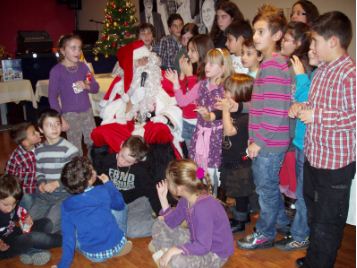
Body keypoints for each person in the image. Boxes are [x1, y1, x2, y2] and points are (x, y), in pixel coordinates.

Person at [290, 11, 355, 268]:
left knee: (328, 223)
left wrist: (316, 114)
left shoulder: (350, 74)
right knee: (316, 217)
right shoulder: (323, 70)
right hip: (314, 158)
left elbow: (354, 117)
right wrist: (301, 106)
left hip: (335, 166)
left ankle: (321, 262)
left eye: (315, 41)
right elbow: (317, 105)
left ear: (333, 42)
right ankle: (316, 258)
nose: (312, 47)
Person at [237, 4, 291, 250]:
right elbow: (265, 105)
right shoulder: (275, 63)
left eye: (261, 32)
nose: (255, 37)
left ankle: (266, 233)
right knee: (269, 186)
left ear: (277, 35)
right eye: (254, 32)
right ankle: (281, 222)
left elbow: (276, 110)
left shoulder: (272, 66)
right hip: (269, 141)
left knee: (265, 189)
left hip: (268, 144)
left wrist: (258, 141)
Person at [91, 40, 183, 158]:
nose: (144, 63)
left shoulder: (162, 77)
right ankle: (129, 158)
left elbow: (179, 103)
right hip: (130, 126)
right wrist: (132, 101)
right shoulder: (120, 84)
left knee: (160, 129)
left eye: (146, 58)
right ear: (131, 65)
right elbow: (110, 114)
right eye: (139, 60)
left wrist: (165, 117)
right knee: (100, 132)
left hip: (152, 124)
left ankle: (134, 156)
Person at [166, 48, 233, 196]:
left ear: (223, 67)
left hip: (215, 137)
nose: (207, 66)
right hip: (200, 134)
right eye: (207, 62)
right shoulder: (202, 84)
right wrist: (176, 83)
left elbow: (227, 112)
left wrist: (210, 115)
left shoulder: (226, 88)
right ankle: (203, 194)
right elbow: (183, 101)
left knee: (213, 171)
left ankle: (215, 199)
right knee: (199, 168)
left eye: (212, 64)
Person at [150, 159, 234, 268]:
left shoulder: (204, 208)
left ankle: (166, 254)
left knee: (177, 262)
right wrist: (163, 198)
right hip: (196, 239)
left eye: (169, 181)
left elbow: (203, 246)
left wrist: (175, 250)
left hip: (214, 252)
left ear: (179, 188)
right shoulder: (186, 199)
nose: (167, 183)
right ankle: (166, 254)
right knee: (159, 223)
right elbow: (171, 222)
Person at [276, 48, 319, 254]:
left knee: (303, 194)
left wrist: (301, 75)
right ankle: (300, 232)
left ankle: (301, 235)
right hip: (300, 143)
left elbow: (307, 97)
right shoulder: (309, 76)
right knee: (301, 193)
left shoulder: (313, 76)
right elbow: (299, 101)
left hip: (308, 145)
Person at [56, 157, 131, 267]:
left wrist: (62, 266)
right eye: (93, 170)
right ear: (90, 180)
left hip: (94, 255)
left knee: (71, 234)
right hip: (117, 245)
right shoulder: (103, 190)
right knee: (122, 205)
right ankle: (121, 241)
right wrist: (109, 184)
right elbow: (119, 206)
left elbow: (68, 238)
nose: (95, 171)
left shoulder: (66, 205)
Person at [94, 136, 163, 238]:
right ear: (121, 145)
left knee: (131, 232)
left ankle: (166, 222)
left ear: (136, 162)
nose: (122, 162)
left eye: (128, 162)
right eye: (122, 156)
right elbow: (97, 181)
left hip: (136, 203)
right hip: (114, 204)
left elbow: (152, 193)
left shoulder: (141, 171)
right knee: (98, 223)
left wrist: (160, 212)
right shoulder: (107, 161)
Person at [48, 34, 99, 156]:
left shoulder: (83, 67)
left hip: (87, 112)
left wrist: (86, 86)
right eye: (73, 48)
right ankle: (78, 172)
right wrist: (60, 118)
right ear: (63, 50)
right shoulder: (56, 71)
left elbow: (95, 87)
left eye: (79, 48)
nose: (78, 51)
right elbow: (52, 97)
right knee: (75, 147)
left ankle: (93, 169)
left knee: (93, 142)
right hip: (69, 116)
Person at [29, 109, 79, 234]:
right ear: (41, 129)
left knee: (49, 226)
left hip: (64, 196)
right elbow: (39, 171)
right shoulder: (39, 150)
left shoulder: (70, 150)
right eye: (49, 125)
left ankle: (71, 222)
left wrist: (57, 183)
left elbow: (74, 175)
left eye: (57, 123)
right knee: (28, 223)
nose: (54, 128)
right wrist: (41, 183)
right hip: (44, 197)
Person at [217, 73, 256, 233]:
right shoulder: (233, 111)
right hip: (229, 158)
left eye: (228, 91)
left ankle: (240, 221)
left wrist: (226, 111)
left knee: (241, 191)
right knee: (234, 188)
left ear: (240, 94)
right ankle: (242, 213)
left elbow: (229, 130)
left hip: (242, 160)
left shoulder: (246, 116)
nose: (225, 93)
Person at [0, 174, 61, 265]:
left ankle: (29, 251)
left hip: (14, 234)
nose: (10, 208)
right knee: (33, 238)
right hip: (6, 247)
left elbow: (19, 213)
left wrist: (26, 218)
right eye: (6, 205)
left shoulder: (11, 206)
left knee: (46, 223)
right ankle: (69, 240)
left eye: (13, 204)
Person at [175, 34, 214, 150]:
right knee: (193, 161)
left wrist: (189, 76)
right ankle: (198, 170)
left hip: (199, 124)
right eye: (188, 50)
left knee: (201, 160)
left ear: (203, 51)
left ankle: (201, 170)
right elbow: (182, 95)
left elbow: (194, 99)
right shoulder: (195, 70)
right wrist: (182, 74)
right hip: (188, 121)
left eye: (193, 50)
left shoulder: (208, 75)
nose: (189, 54)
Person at [5, 123, 41, 210]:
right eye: (34, 133)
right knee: (28, 207)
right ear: (25, 142)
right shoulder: (16, 157)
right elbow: (8, 177)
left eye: (36, 130)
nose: (38, 133)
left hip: (38, 185)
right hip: (25, 191)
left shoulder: (40, 147)